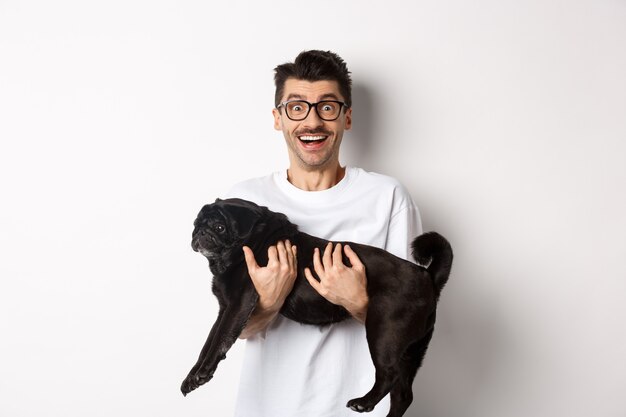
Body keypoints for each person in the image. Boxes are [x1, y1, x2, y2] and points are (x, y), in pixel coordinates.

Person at [226, 50, 422, 417]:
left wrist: (360, 302)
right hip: (268, 407)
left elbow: (414, 321)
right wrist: (268, 301)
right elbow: (237, 330)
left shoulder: (387, 197)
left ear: (347, 117)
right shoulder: (245, 204)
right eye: (297, 107)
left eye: (327, 107)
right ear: (277, 119)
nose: (312, 121)